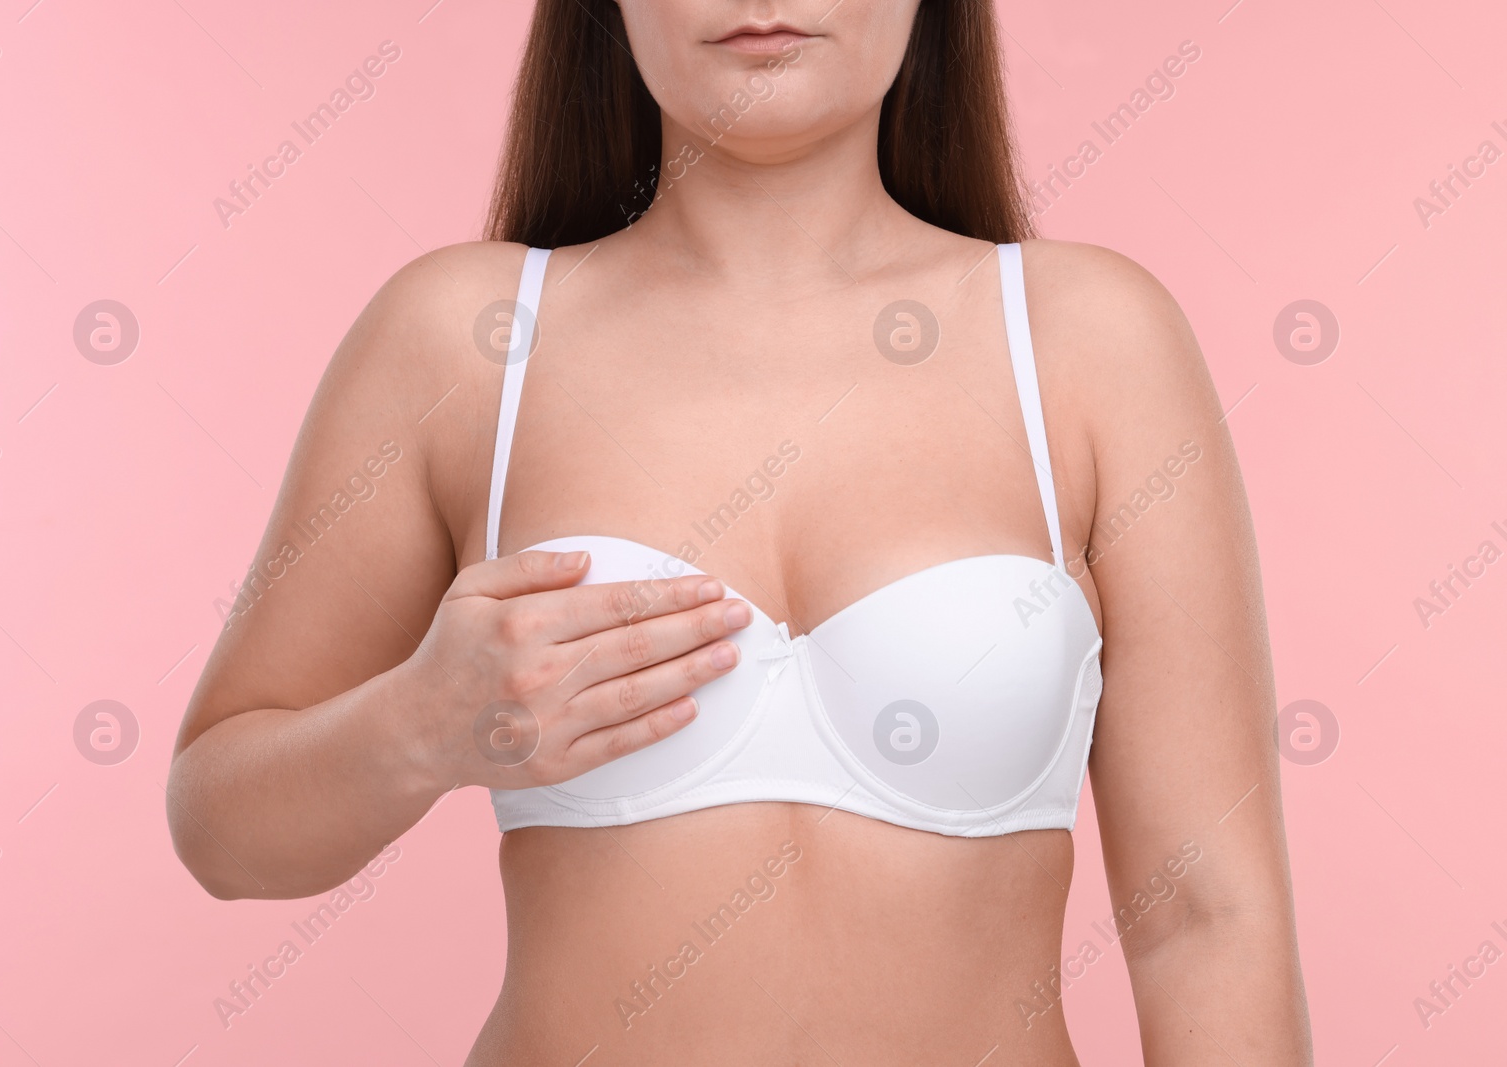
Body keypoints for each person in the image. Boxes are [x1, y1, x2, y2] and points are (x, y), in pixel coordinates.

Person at [168, 2, 1313, 1062]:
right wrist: (415, 725)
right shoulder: (465, 343)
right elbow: (219, 822)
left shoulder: (1086, 342)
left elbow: (1205, 914)